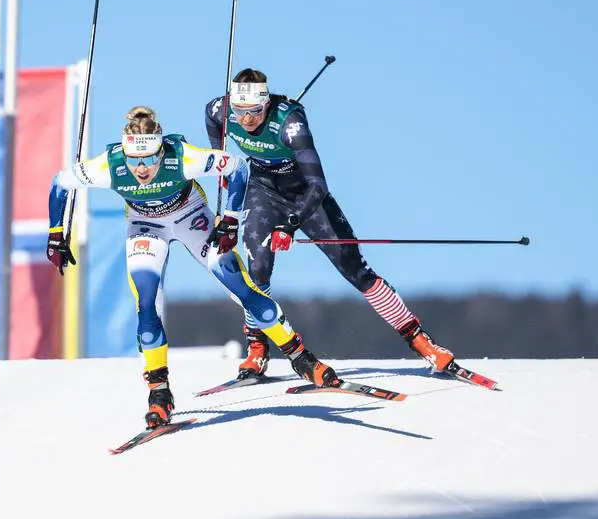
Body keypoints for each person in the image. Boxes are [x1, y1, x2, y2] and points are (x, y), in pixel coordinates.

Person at [47, 105, 340, 430]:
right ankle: (159, 394)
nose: (142, 169)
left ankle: (301, 358)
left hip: (190, 216)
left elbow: (238, 168)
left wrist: (229, 220)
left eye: (149, 159)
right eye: (134, 161)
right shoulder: (109, 165)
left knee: (242, 289)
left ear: (161, 151)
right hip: (146, 226)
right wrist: (56, 235)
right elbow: (61, 183)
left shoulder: (182, 155)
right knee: (146, 305)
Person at [204, 68, 457, 379]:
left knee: (356, 271)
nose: (246, 120)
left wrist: (290, 224)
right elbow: (214, 126)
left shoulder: (290, 124)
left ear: (266, 104)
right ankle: (257, 348)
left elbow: (317, 185)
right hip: (263, 191)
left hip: (305, 195)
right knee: (256, 270)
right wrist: (223, 169)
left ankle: (422, 343)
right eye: (241, 112)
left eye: (254, 111)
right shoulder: (221, 109)